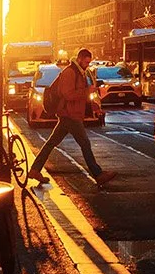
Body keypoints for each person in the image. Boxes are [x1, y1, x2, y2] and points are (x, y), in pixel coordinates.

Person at [28, 48, 116, 189]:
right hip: (70, 115)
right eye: (86, 62)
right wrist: (86, 92)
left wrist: (94, 106)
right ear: (80, 59)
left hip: (70, 115)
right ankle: (98, 174)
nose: (87, 65)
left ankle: (34, 170)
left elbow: (81, 96)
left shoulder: (80, 73)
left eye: (89, 62)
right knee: (85, 144)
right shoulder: (70, 72)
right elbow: (68, 95)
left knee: (51, 143)